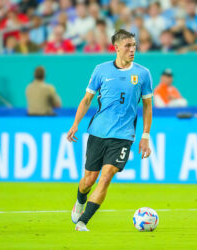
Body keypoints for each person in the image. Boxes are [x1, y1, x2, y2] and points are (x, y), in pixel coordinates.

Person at [67, 29, 153, 231]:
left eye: (134, 45)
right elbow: (87, 99)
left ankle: (82, 222)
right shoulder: (101, 70)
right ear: (116, 48)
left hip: (123, 136)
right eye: (128, 46)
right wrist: (75, 124)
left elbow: (148, 106)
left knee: (106, 177)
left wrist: (145, 135)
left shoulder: (143, 74)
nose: (133, 49)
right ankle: (80, 201)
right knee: (88, 180)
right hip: (98, 132)